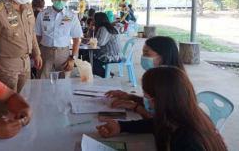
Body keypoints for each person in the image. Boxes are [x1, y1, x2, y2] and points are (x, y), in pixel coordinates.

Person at [97, 67, 227, 151]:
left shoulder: (187, 140)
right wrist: (121, 127)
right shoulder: (182, 115)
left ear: (160, 100)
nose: (144, 98)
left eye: (145, 94)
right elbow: (155, 124)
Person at [105, 36, 185, 118]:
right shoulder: (158, 76)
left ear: (162, 57)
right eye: (143, 53)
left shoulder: (171, 81)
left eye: (147, 53)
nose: (143, 57)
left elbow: (161, 119)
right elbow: (152, 104)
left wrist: (135, 107)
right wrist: (129, 97)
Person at [35, 0, 82, 79]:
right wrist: (36, 54)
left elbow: (76, 39)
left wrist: (72, 59)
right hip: (45, 52)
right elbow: (37, 36)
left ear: (67, 0)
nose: (61, 1)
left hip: (63, 53)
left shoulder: (71, 16)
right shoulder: (42, 14)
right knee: (42, 80)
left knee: (63, 81)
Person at [91, 12, 123, 78]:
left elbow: (100, 43)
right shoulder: (106, 27)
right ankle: (107, 74)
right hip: (111, 54)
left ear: (98, 20)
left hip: (112, 56)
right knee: (87, 59)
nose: (93, 21)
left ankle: (108, 75)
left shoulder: (104, 29)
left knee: (89, 65)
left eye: (94, 19)